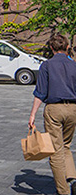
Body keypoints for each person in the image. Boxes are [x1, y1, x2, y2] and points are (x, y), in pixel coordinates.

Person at [28, 34, 76, 195]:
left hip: (54, 109)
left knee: (56, 150)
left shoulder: (47, 65)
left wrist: (32, 114)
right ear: (67, 47)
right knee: (66, 145)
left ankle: (63, 191)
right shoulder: (74, 65)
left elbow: (40, 92)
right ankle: (72, 178)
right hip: (73, 109)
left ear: (51, 48)